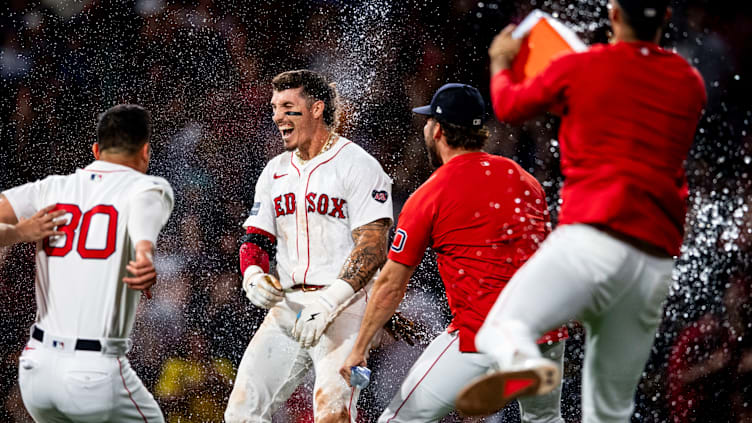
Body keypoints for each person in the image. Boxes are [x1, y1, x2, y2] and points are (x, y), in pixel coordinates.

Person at [455, 0, 707, 421]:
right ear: (665, 18)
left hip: (592, 239)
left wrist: (500, 61)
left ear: (613, 15)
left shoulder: (582, 66)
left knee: (501, 329)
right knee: (610, 411)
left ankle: (526, 365)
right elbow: (630, 114)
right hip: (653, 261)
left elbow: (510, 106)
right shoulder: (690, 82)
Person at [338, 83, 568, 423]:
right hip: (543, 331)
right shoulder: (524, 180)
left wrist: (359, 349)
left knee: (397, 420)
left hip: (481, 334)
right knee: (544, 420)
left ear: (439, 131)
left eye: (429, 123)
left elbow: (390, 284)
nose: (426, 129)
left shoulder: (431, 193)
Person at [224, 69, 394, 423]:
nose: (277, 117)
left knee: (332, 413)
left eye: (288, 106)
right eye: (274, 107)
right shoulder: (274, 171)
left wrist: (329, 300)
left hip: (344, 308)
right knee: (241, 414)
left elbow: (374, 246)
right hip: (288, 309)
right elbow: (255, 238)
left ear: (317, 109)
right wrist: (253, 275)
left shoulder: (358, 164)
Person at [0, 104, 174, 422]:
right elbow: (143, 216)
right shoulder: (148, 186)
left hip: (37, 370)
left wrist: (18, 232)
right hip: (95, 373)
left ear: (95, 150)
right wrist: (145, 254)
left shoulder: (50, 188)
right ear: (145, 152)